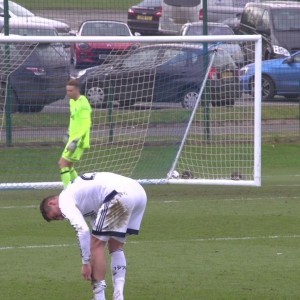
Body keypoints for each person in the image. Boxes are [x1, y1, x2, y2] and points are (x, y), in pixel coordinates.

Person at [40, 172, 147, 300]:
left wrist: (85, 263)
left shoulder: (65, 200)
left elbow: (83, 230)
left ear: (52, 203)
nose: (61, 218)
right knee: (115, 245)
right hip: (139, 193)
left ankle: (99, 297)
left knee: (95, 245)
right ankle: (119, 295)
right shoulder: (81, 196)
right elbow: (96, 223)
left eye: (56, 216)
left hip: (119, 195)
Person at [59, 79, 92, 188]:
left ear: (77, 90)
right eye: (67, 91)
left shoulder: (83, 103)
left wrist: (76, 140)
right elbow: (73, 120)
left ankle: (67, 191)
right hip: (72, 139)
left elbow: (87, 124)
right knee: (68, 165)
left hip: (79, 141)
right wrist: (68, 133)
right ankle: (79, 188)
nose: (68, 93)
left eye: (70, 91)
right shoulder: (72, 102)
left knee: (62, 164)